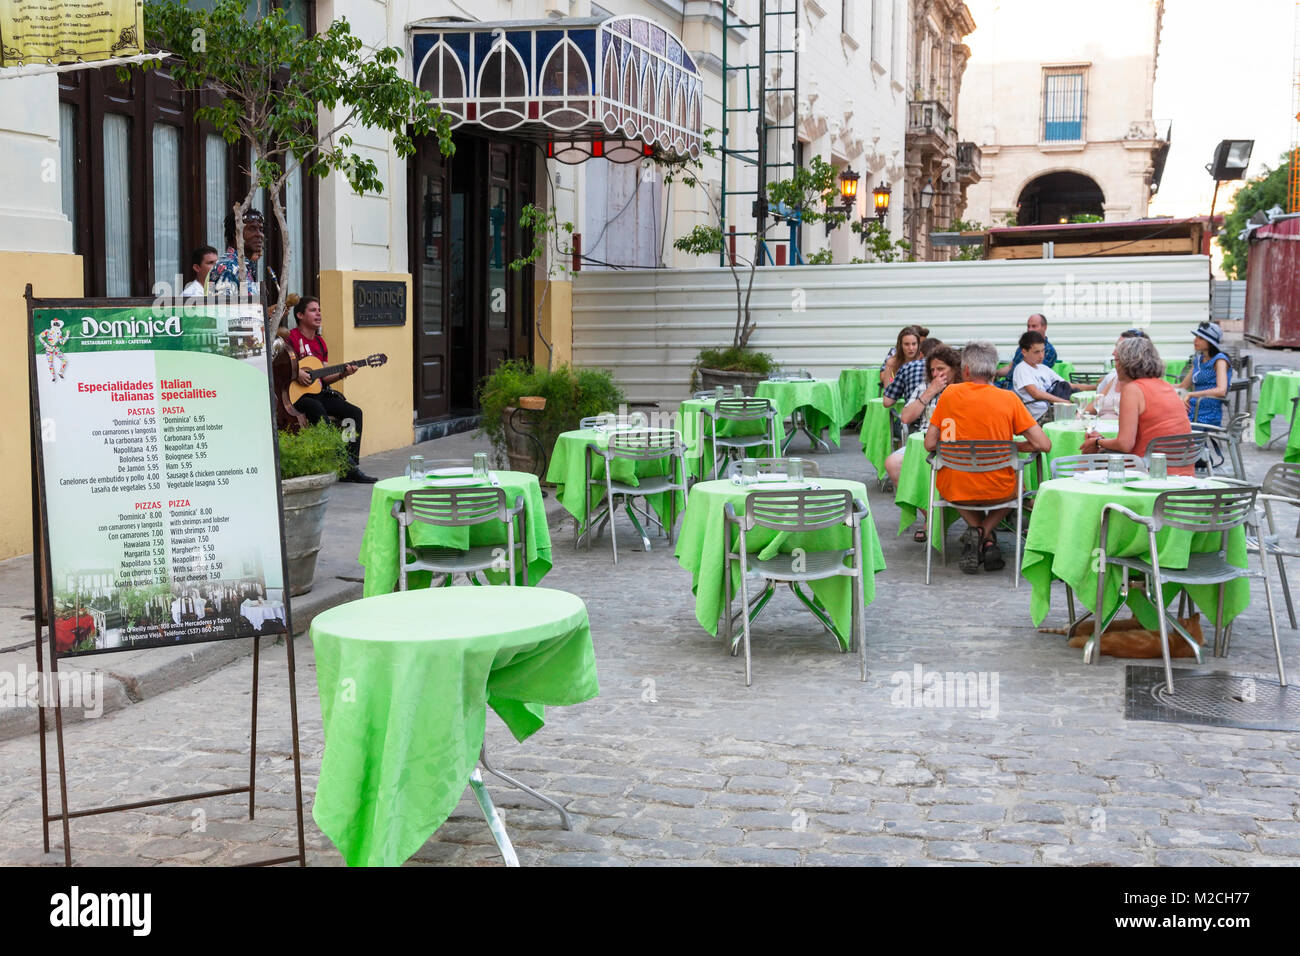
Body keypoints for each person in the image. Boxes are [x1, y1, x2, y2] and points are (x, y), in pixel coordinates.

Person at [926, 340, 1051, 573]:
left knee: (948, 482)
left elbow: (930, 443)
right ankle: (986, 536)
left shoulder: (949, 394)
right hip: (999, 488)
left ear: (965, 370)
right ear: (993, 370)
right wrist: (1013, 447)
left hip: (956, 487)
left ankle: (979, 533)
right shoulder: (1009, 399)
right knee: (1017, 489)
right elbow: (1044, 444)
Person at [287, 295, 376, 484]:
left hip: (319, 392)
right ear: (300, 315)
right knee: (317, 410)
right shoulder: (291, 338)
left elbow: (324, 377)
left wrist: (344, 373)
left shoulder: (320, 343)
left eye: (319, 310)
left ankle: (350, 464)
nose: (318, 313)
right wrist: (296, 373)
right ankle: (341, 461)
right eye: (313, 310)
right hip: (296, 396)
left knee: (353, 413)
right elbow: (280, 365)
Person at [1081, 336, 1192, 475]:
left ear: (1126, 363)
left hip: (1149, 471)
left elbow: (1124, 444)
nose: (1115, 366)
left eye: (1116, 360)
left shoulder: (1133, 389)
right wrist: (1101, 441)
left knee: (1085, 462)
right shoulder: (1166, 387)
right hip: (1182, 471)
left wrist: (1097, 442)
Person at [884, 344, 962, 542]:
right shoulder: (925, 385)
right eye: (932, 369)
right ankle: (930, 515)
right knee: (892, 463)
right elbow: (906, 417)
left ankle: (958, 519)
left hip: (957, 443)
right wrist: (930, 392)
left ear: (954, 368)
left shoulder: (963, 387)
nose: (936, 373)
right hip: (924, 439)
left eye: (941, 369)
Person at [1012, 330, 1083, 421]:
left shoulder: (1043, 368)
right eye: (1036, 352)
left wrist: (1095, 387)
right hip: (1041, 416)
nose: (1041, 356)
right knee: (1084, 414)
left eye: (1043, 351)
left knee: (1087, 409)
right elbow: (1035, 393)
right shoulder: (1022, 369)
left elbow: (1068, 384)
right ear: (1024, 352)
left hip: (1054, 410)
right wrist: (1064, 402)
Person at [1085, 328, 1148, 419]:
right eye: (1116, 347)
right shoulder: (1115, 379)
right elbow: (1089, 409)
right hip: (1100, 429)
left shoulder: (1144, 384)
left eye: (1120, 348)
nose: (1113, 352)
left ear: (1136, 353)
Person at [1178, 321, 1231, 427]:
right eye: (1196, 336)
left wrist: (1191, 394)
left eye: (1200, 338)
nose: (1195, 340)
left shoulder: (1220, 360)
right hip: (1193, 407)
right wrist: (1158, 385)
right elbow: (1182, 386)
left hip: (1208, 412)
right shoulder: (1198, 360)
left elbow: (1221, 390)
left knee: (1173, 424)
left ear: (1210, 342)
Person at [207, 207, 266, 300]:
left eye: (261, 229)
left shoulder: (243, 266)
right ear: (236, 233)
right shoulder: (228, 267)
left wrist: (267, 312)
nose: (260, 234)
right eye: (252, 229)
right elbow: (224, 312)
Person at [996, 314, 1059, 382]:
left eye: (1034, 326)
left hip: (1020, 388)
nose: (1029, 329)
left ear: (1044, 327)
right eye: (1028, 326)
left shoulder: (1049, 351)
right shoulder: (1023, 346)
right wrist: (993, 373)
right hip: (1005, 384)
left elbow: (1034, 375)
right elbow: (1010, 367)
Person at [880, 325, 925, 389]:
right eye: (906, 344)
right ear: (900, 345)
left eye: (914, 344)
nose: (911, 348)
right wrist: (894, 381)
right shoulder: (892, 362)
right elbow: (887, 389)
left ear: (918, 344)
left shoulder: (923, 359)